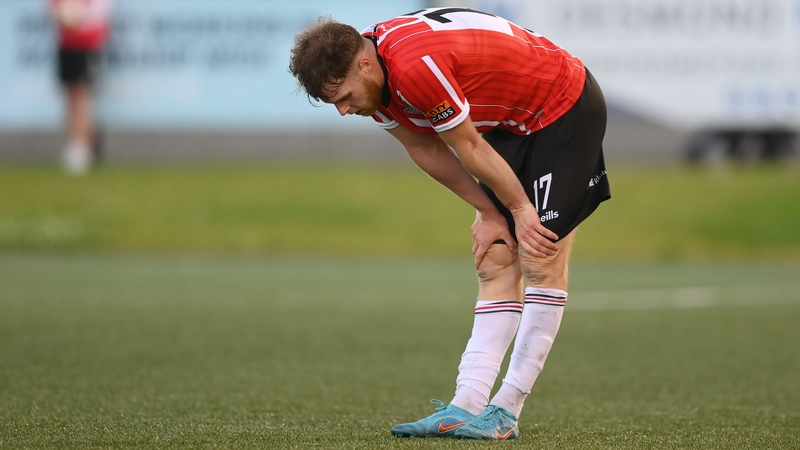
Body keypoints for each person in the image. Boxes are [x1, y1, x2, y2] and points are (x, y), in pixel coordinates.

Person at [289, 7, 611, 440]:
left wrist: (517, 211)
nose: (344, 111)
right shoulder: (373, 79)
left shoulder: (414, 67)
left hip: (563, 105)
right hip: (510, 122)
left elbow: (468, 145)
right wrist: (489, 212)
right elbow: (426, 149)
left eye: (344, 97)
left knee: (539, 253)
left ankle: (506, 411)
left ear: (364, 64)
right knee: (495, 260)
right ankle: (466, 405)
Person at [49, 0, 112, 175]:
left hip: (87, 43)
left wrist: (74, 14)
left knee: (82, 94)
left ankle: (82, 147)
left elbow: (97, 14)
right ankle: (74, 143)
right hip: (67, 42)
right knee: (71, 94)